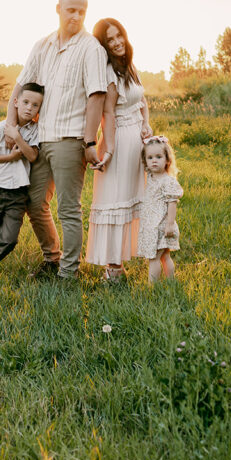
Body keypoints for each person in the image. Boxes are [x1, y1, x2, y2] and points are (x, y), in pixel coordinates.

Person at [6, 0, 107, 280]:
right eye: (70, 10)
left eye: (81, 11)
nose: (75, 16)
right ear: (58, 9)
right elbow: (20, 87)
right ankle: (52, 259)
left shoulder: (91, 48)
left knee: (68, 209)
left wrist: (90, 142)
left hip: (70, 140)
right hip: (40, 140)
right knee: (34, 203)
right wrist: (10, 126)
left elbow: (96, 98)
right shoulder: (43, 45)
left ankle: (68, 273)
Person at [85, 18, 153, 282]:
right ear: (104, 45)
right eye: (109, 40)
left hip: (137, 138)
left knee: (131, 199)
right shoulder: (110, 73)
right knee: (116, 199)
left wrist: (146, 124)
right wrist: (109, 150)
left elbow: (142, 100)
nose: (116, 43)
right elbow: (108, 114)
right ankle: (112, 269)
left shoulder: (129, 66)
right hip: (121, 140)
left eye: (118, 36)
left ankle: (120, 264)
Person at [0, 83, 44, 279]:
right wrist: (10, 158)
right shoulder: (0, 128)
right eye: (26, 102)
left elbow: (32, 156)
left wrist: (17, 137)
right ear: (16, 102)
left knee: (10, 239)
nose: (29, 108)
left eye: (35, 105)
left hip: (18, 193)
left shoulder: (36, 131)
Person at [137, 135, 183, 283]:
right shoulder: (149, 176)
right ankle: (171, 282)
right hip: (152, 225)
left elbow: (172, 203)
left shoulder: (168, 181)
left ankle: (153, 288)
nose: (154, 160)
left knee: (155, 258)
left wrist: (170, 224)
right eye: (150, 158)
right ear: (145, 161)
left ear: (167, 160)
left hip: (162, 225)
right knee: (164, 256)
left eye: (158, 157)